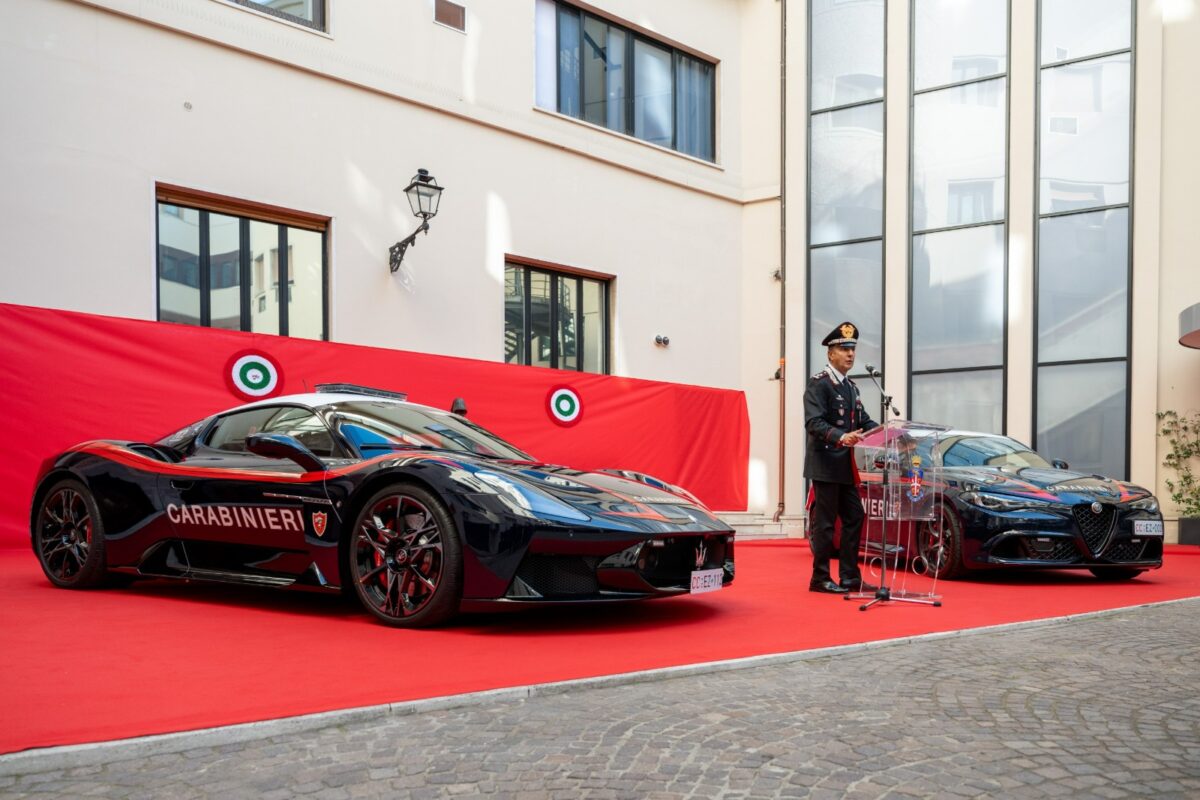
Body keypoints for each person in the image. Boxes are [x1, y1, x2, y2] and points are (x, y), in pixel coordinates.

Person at [804, 321, 880, 594]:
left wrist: (890, 434)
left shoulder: (851, 387)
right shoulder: (819, 384)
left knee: (855, 516)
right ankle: (820, 578)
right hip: (825, 463)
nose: (850, 354)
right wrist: (841, 436)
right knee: (825, 524)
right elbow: (813, 423)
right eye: (844, 349)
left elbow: (863, 420)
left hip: (845, 466)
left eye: (852, 349)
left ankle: (849, 576)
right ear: (830, 353)